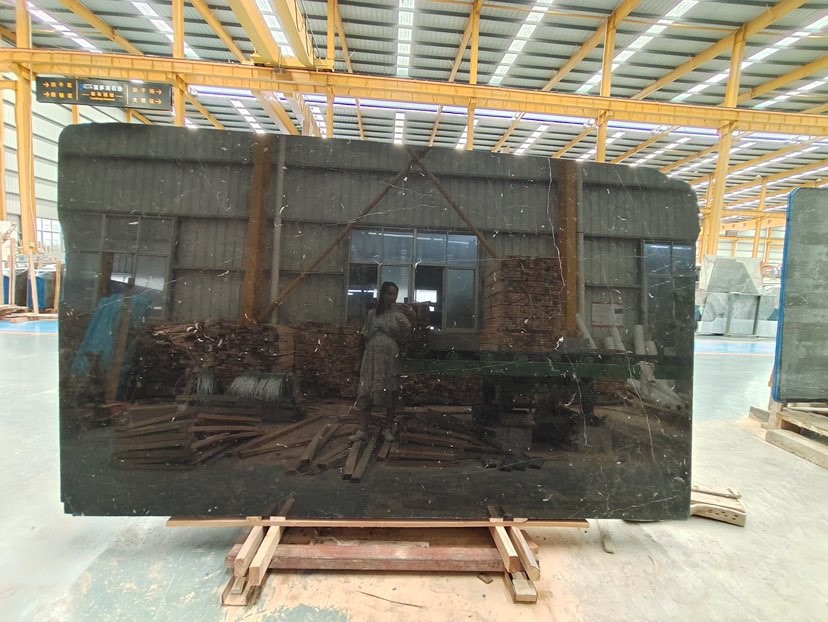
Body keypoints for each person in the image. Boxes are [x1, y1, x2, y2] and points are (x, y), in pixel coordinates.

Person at [350, 281, 411, 443]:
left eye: (395, 294)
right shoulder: (372, 314)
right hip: (372, 355)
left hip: (389, 356)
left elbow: (407, 333)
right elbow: (363, 337)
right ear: (382, 294)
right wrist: (358, 359)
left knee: (390, 389)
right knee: (367, 390)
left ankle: (387, 428)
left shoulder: (398, 316)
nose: (392, 297)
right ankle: (363, 429)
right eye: (389, 293)